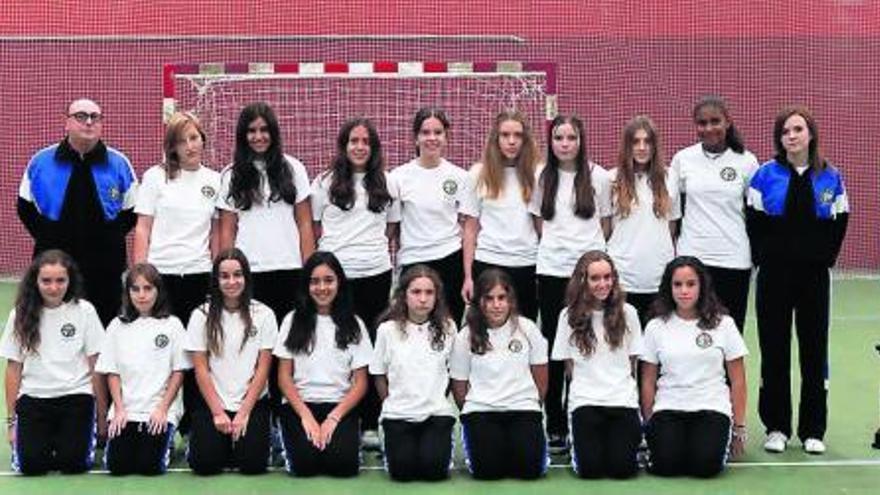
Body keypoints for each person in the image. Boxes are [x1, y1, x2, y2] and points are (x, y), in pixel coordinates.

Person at [747, 105, 849, 455]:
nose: (791, 136)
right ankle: (776, 427)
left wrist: (822, 260)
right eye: (785, 131)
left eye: (797, 130)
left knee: (813, 351)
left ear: (811, 134)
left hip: (813, 280)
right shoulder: (764, 175)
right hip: (774, 277)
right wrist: (766, 259)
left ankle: (812, 429)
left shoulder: (831, 177)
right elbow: (754, 221)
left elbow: (840, 221)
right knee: (774, 350)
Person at [528, 114, 612, 452]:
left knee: (585, 342)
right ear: (551, 142)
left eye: (571, 138)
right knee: (553, 345)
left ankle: (582, 412)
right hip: (551, 271)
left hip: (587, 275)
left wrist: (588, 260)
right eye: (559, 138)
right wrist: (556, 250)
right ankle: (555, 423)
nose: (565, 144)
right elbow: (537, 220)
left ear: (581, 140)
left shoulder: (599, 177)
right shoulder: (539, 176)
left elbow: (606, 222)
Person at [17, 98, 138, 326]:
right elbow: (25, 206)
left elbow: (132, 211)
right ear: (67, 123)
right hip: (54, 266)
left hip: (105, 269)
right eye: (81, 116)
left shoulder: (119, 163)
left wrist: (108, 239)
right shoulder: (41, 161)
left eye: (95, 117)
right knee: (50, 327)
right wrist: (49, 237)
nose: (89, 122)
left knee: (104, 330)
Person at [311, 118, 394, 448]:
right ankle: (345, 419)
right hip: (338, 278)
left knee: (371, 349)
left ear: (373, 148)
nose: (359, 147)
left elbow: (391, 230)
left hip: (375, 274)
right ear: (343, 146)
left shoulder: (387, 183)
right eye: (353, 141)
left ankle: (371, 424)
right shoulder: (324, 183)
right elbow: (316, 228)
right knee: (341, 345)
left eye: (365, 142)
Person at [640, 256, 748, 478]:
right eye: (677, 284)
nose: (684, 291)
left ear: (702, 286)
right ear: (669, 288)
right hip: (669, 406)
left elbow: (738, 380)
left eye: (691, 284)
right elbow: (648, 380)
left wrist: (739, 427)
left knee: (704, 467)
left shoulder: (724, 324)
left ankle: (713, 442)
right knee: (666, 466)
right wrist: (649, 422)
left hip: (711, 406)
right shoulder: (655, 326)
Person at [1, 250, 106, 475]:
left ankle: (66, 441)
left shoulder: (84, 311)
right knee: (31, 466)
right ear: (35, 281)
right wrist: (11, 424)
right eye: (46, 281)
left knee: (73, 464)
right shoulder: (19, 314)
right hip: (34, 398)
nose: (54, 287)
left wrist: (102, 415)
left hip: (76, 397)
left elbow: (96, 366)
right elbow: (13, 369)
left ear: (70, 280)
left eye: (60, 280)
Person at [274, 252, 372, 477]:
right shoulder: (292, 320)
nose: (322, 288)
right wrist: (306, 416)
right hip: (300, 405)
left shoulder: (354, 324)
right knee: (304, 467)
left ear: (339, 283)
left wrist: (334, 418)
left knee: (343, 467)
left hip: (339, 405)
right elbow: (284, 377)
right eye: (315, 281)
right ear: (306, 285)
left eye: (328, 280)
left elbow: (360, 383)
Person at [218, 101, 315, 323]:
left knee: (289, 344)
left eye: (264, 130)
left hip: (290, 269)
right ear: (243, 135)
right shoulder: (230, 176)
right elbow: (227, 231)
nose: (258, 136)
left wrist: (308, 270)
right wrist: (227, 273)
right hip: (248, 273)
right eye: (251, 131)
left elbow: (305, 224)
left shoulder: (293, 169)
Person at [184, 249, 277, 475]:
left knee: (252, 465)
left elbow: (263, 369)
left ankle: (266, 437)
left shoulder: (264, 314)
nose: (231, 281)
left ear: (246, 277)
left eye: (237, 274)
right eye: (224, 276)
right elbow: (201, 370)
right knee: (205, 465)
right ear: (216, 280)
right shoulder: (201, 315)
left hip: (251, 402)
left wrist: (244, 412)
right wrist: (217, 412)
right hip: (214, 402)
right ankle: (203, 442)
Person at [551, 250, 642, 479]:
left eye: (607, 277)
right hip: (586, 402)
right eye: (595, 278)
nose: (603, 284)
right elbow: (569, 368)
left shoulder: (628, 313)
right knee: (590, 469)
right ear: (582, 281)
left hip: (622, 401)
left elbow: (632, 364)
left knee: (622, 470)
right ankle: (579, 438)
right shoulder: (567, 317)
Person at [671, 95, 758, 333]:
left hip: (734, 260)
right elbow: (673, 213)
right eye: (702, 123)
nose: (708, 128)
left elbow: (755, 214)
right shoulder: (683, 159)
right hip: (693, 259)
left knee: (728, 333)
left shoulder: (747, 162)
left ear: (728, 122)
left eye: (715, 121)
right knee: (691, 334)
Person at [450, 269, 548, 480]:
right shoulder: (465, 336)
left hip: (522, 408)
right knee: (488, 472)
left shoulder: (528, 329)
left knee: (530, 470)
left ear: (510, 299)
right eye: (489, 299)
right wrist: (473, 410)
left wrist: (531, 404)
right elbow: (459, 386)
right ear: (479, 302)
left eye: (502, 298)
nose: (497, 305)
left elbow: (541, 377)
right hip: (482, 410)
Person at [96, 262, 189, 475]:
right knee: (117, 466)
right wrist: (119, 409)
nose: (141, 295)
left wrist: (163, 409)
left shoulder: (172, 325)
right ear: (127, 293)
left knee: (150, 466)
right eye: (135, 289)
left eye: (148, 288)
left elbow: (178, 372)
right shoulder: (116, 326)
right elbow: (112, 372)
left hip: (158, 410)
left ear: (158, 291)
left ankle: (167, 443)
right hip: (126, 410)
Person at [388, 107, 477, 324]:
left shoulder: (461, 177)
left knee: (449, 329)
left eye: (438, 132)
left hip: (450, 261)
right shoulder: (398, 177)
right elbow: (393, 229)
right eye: (425, 133)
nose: (432, 138)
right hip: (413, 261)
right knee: (413, 329)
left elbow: (468, 229)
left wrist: (468, 275)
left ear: (446, 137)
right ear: (416, 138)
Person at [370, 265, 457, 481]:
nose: (423, 299)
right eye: (416, 292)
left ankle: (441, 444)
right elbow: (379, 374)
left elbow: (453, 372)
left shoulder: (448, 328)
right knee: (403, 473)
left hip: (436, 414)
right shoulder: (387, 330)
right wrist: (391, 402)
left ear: (437, 297)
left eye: (429, 293)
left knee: (434, 471)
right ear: (403, 295)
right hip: (398, 414)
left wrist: (435, 399)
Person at [133, 111, 220, 326]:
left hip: (199, 273)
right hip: (161, 273)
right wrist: (140, 274)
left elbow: (216, 232)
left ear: (203, 139)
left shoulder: (216, 180)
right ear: (172, 147)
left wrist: (217, 273)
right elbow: (143, 228)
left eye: (194, 138)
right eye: (181, 141)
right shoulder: (154, 177)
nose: (189, 146)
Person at [462, 109, 541, 320]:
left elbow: (541, 226)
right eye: (505, 135)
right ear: (495, 139)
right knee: (484, 331)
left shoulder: (537, 174)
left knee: (524, 330)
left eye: (518, 135)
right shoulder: (478, 174)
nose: (512, 141)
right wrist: (468, 276)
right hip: (488, 262)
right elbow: (470, 229)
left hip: (526, 264)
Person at [607, 116, 679, 326]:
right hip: (622, 278)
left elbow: (672, 226)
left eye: (647, 142)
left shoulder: (670, 177)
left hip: (658, 277)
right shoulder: (611, 179)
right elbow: (605, 227)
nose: (641, 147)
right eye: (635, 142)